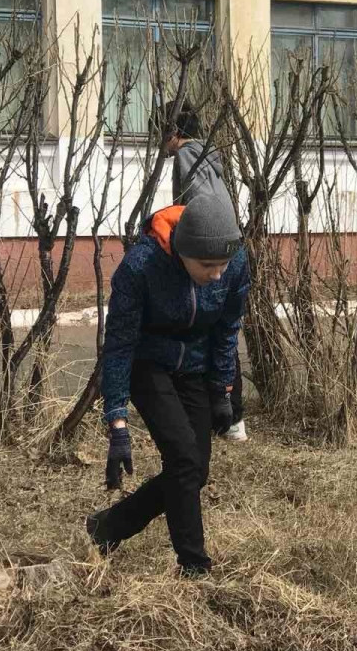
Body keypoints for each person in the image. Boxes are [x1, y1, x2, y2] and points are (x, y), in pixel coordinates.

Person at [85, 195, 249, 577]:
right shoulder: (141, 267)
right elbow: (120, 345)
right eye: (207, 265)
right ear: (181, 252)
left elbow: (227, 330)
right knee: (184, 459)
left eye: (223, 264)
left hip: (195, 366)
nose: (218, 275)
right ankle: (194, 565)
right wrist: (118, 422)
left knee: (195, 471)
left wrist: (224, 390)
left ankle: (108, 526)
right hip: (149, 364)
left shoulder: (237, 263)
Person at [156, 100, 247, 442]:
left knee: (212, 328)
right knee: (223, 327)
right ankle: (230, 416)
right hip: (229, 243)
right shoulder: (208, 152)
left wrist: (185, 239)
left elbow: (196, 204)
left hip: (209, 249)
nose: (158, 143)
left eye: (159, 133)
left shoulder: (185, 154)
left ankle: (229, 415)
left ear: (173, 132)